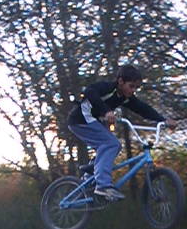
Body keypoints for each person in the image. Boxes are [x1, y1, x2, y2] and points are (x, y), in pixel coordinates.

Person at [68, 64, 176, 201]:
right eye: (131, 86)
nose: (133, 90)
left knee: (114, 145)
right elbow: (90, 91)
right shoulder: (108, 88)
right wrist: (106, 111)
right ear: (120, 81)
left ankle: (89, 176)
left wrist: (164, 120)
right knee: (111, 144)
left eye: (136, 88)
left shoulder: (125, 97)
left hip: (93, 121)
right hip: (81, 120)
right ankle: (103, 185)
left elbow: (143, 109)